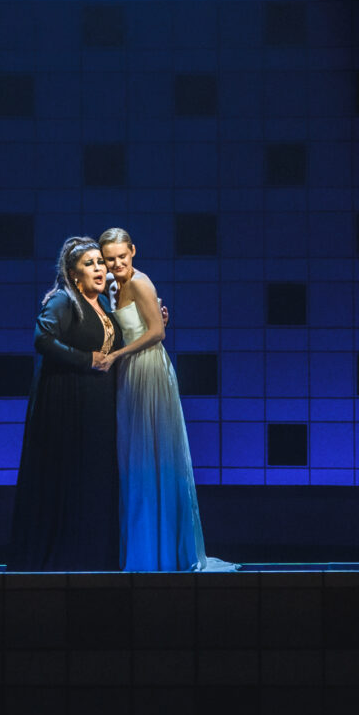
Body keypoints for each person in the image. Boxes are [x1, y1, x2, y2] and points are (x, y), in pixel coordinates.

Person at [97, 227, 235, 572]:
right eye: (110, 259)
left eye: (121, 256)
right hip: (130, 371)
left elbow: (157, 333)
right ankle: (147, 545)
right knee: (137, 455)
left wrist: (117, 356)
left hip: (148, 369)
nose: (116, 264)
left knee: (153, 452)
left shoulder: (140, 282)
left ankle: (161, 550)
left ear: (133, 251)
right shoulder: (112, 285)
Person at [6, 236, 121, 570]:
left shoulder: (104, 305)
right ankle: (65, 557)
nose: (99, 269)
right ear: (74, 274)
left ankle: (96, 555)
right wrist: (85, 359)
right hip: (68, 401)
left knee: (95, 476)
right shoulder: (64, 300)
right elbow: (42, 338)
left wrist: (157, 323)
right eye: (89, 264)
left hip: (98, 403)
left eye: (100, 262)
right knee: (70, 477)